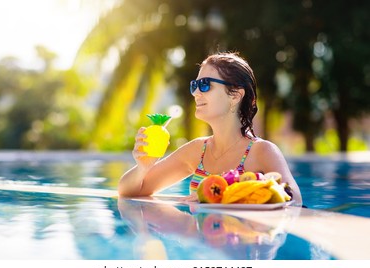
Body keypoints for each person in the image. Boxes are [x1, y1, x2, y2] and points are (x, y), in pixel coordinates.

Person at [118, 52, 302, 205]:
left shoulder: (261, 151)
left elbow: (294, 199)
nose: (197, 93)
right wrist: (143, 167)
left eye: (205, 85)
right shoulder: (198, 150)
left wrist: (215, 193)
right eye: (195, 85)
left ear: (235, 95)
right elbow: (129, 191)